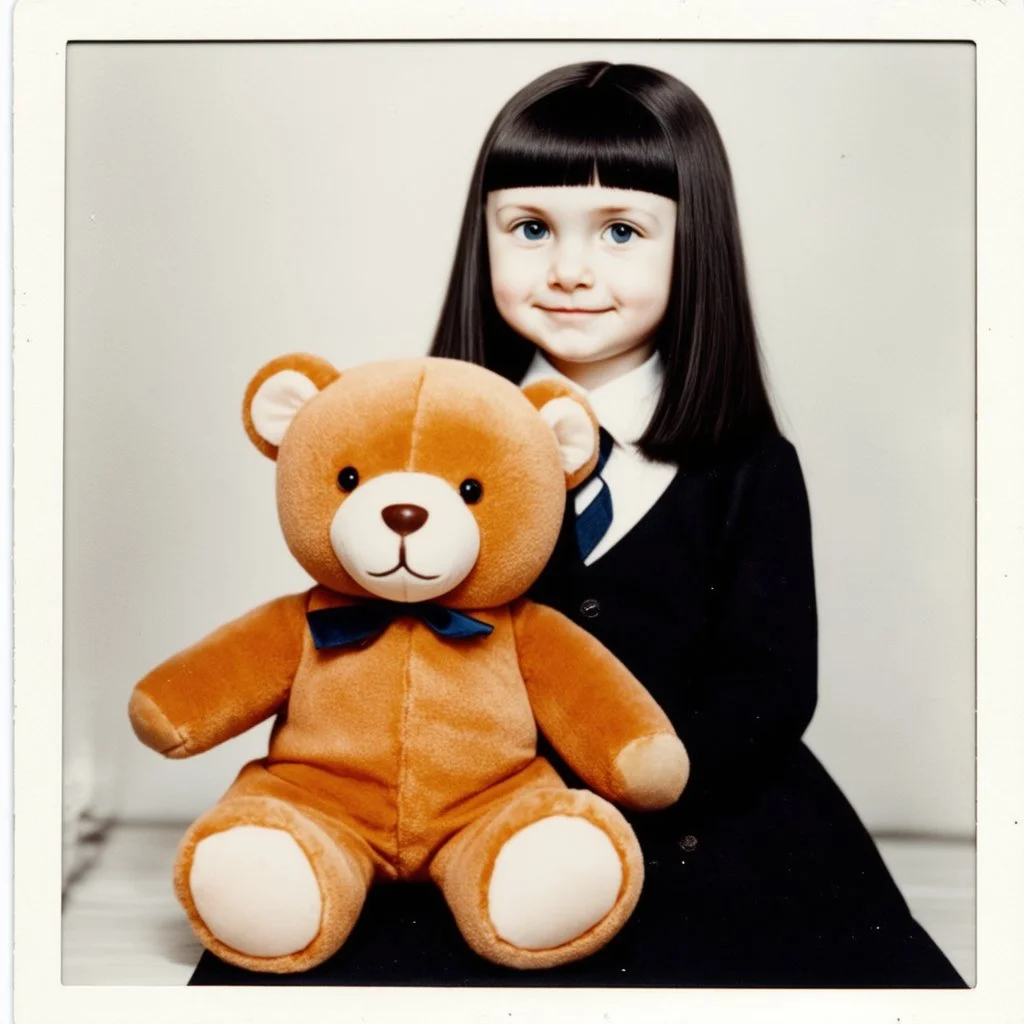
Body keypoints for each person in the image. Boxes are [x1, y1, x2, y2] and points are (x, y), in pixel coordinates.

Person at [191, 60, 966, 989]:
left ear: (695, 247)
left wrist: (630, 781)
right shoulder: (433, 457)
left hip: (703, 811)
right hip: (473, 811)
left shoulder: (748, 466)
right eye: (529, 229)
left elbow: (771, 683)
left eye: (622, 232)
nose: (567, 270)